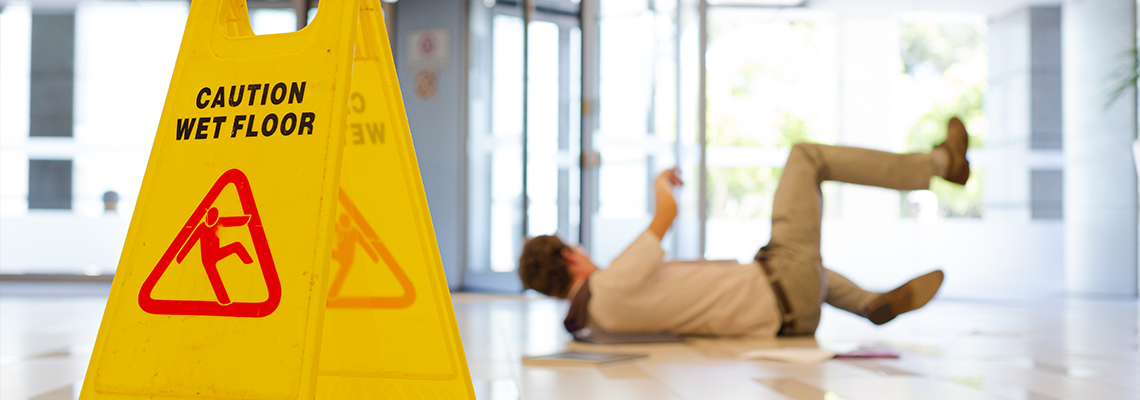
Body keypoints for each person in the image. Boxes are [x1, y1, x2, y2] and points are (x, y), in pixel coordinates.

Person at [518, 117, 971, 337]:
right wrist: (660, 182)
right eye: (575, 245)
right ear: (569, 257)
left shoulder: (599, 327)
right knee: (805, 157)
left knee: (784, 264)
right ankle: (940, 163)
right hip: (783, 286)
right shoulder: (610, 285)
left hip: (789, 320)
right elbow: (665, 217)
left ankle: (872, 304)